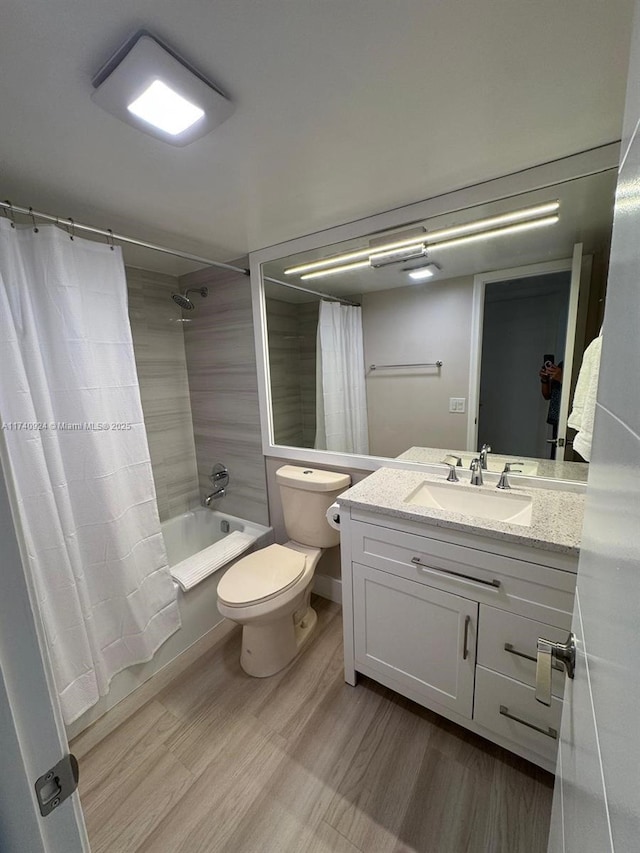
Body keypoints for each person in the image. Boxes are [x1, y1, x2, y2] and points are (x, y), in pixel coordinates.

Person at [539, 360, 563, 458]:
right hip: (557, 417)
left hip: (569, 420)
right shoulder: (562, 365)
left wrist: (562, 379)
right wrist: (544, 379)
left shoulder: (574, 367)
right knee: (555, 455)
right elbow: (547, 395)